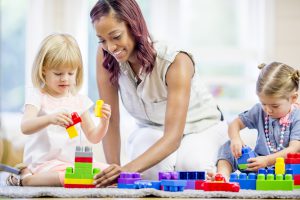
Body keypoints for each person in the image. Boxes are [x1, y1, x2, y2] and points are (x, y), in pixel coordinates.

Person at [90, 0, 228, 187]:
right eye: (102, 40)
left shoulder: (175, 60)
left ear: (134, 25)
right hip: (152, 129)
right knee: (149, 173)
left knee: (193, 169)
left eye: (116, 36)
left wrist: (127, 169)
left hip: (202, 127)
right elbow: (110, 119)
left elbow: (172, 138)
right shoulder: (106, 56)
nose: (110, 46)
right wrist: (114, 171)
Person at [3, 33, 111, 186]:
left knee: (108, 172)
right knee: (66, 178)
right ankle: (27, 179)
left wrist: (104, 122)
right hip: (43, 165)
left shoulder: (79, 101)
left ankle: (33, 177)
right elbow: (25, 127)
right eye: (58, 73)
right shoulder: (37, 97)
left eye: (70, 73)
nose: (65, 78)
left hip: (73, 165)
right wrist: (50, 119)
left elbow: (94, 137)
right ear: (43, 71)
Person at [216, 62, 300, 180]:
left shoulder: (297, 117)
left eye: (275, 106)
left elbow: (293, 149)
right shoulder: (259, 111)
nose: (268, 110)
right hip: (257, 165)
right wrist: (236, 139)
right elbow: (235, 124)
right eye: (263, 103)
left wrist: (267, 161)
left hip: (286, 169)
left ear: (293, 98)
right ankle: (222, 176)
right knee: (229, 146)